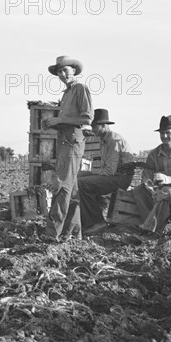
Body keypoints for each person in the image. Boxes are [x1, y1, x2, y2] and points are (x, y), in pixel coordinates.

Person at [41, 56, 94, 241]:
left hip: (72, 144)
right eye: (59, 72)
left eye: (65, 70)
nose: (63, 75)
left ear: (74, 70)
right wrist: (53, 124)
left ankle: (52, 232)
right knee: (72, 190)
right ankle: (72, 232)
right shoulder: (66, 94)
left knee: (62, 185)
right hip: (65, 141)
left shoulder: (80, 89)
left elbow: (87, 119)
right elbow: (70, 121)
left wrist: (59, 119)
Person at [78, 109, 134, 235]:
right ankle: (85, 218)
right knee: (79, 177)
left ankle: (96, 222)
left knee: (82, 184)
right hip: (114, 175)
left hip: (121, 178)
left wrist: (92, 175)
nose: (93, 129)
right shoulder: (104, 140)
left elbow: (109, 171)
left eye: (95, 126)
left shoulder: (113, 140)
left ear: (103, 125)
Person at [132, 115, 171, 223]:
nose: (165, 136)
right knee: (139, 190)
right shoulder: (153, 154)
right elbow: (146, 176)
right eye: (162, 133)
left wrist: (170, 179)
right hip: (160, 190)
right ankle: (150, 222)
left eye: (168, 133)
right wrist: (149, 187)